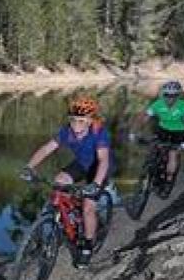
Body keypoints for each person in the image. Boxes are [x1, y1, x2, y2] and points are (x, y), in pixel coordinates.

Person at [20, 95, 114, 268]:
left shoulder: (99, 132)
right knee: (58, 182)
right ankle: (60, 217)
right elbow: (47, 148)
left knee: (88, 207)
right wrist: (29, 167)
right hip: (81, 164)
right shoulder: (66, 132)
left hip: (99, 168)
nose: (76, 125)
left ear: (90, 120)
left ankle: (87, 246)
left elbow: (103, 160)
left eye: (81, 120)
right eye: (73, 120)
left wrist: (96, 185)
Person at [129, 80, 184, 198]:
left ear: (178, 95)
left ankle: (168, 181)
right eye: (167, 95)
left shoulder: (183, 107)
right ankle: (151, 169)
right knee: (155, 147)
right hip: (163, 130)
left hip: (179, 132)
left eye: (173, 95)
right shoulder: (157, 104)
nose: (170, 98)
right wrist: (134, 132)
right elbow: (144, 118)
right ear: (163, 94)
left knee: (172, 155)